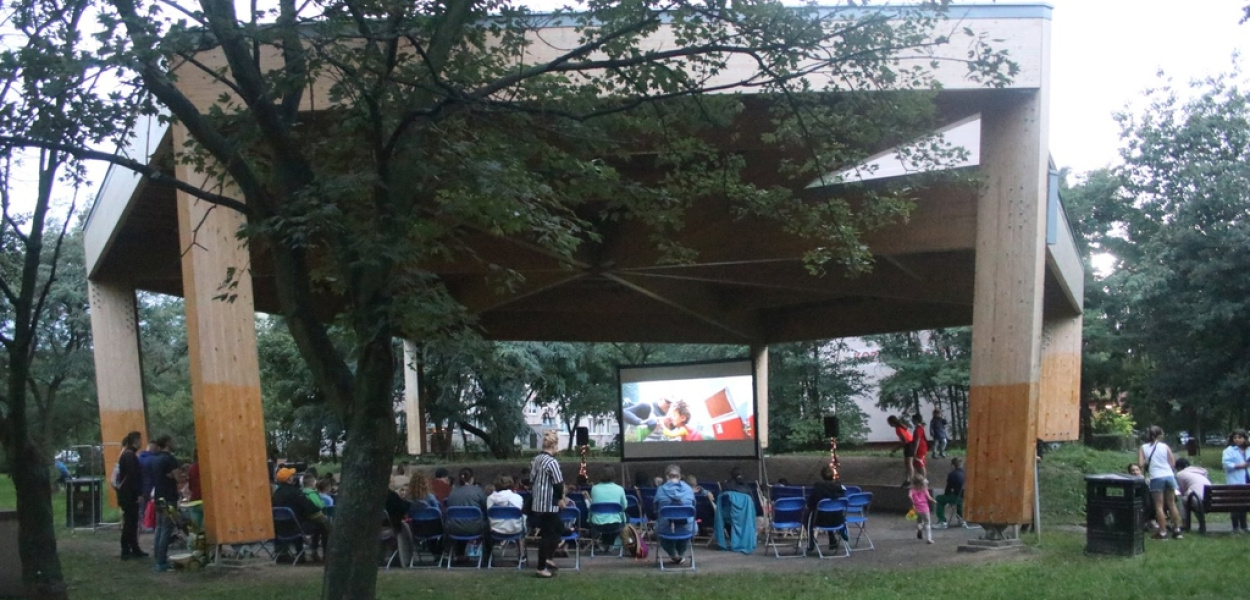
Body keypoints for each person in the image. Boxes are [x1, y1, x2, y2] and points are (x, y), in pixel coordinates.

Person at [273, 466, 331, 562]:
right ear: (289, 479)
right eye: (291, 475)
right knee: (322, 526)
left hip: (279, 529)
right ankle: (324, 555)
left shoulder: (276, 494)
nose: (293, 477)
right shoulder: (295, 492)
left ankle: (285, 554)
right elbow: (310, 507)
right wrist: (318, 508)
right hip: (296, 527)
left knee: (297, 521)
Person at [530, 430, 564, 578]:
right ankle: (541, 566)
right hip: (549, 503)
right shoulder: (552, 462)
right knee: (549, 534)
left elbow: (532, 479)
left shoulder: (535, 460)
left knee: (557, 528)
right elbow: (558, 483)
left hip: (538, 501)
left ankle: (548, 558)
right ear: (554, 445)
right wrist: (560, 498)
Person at [1138, 425, 1182, 540]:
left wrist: (1148, 462)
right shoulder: (1165, 446)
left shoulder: (1143, 448)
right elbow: (1172, 463)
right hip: (1169, 476)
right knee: (1172, 504)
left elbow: (1141, 464)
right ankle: (1177, 530)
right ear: (1160, 435)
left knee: (1159, 506)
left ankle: (1163, 532)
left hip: (1156, 478)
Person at [147, 436, 181, 572]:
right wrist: (176, 475)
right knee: (167, 528)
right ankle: (161, 561)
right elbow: (178, 477)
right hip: (169, 497)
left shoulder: (154, 459)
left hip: (158, 496)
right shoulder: (170, 459)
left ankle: (158, 558)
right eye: (173, 441)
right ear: (167, 443)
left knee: (159, 528)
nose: (174, 443)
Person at [653, 464, 695, 565]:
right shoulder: (689, 489)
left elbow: (654, 510)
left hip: (665, 528)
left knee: (660, 530)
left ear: (667, 476)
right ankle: (681, 554)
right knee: (686, 530)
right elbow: (694, 507)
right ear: (680, 476)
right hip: (687, 528)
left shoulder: (660, 490)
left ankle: (673, 555)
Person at [115, 431, 148, 560]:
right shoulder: (130, 456)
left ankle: (133, 547)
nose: (141, 443)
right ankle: (126, 549)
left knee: (132, 522)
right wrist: (137, 494)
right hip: (129, 496)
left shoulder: (127, 454)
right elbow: (132, 478)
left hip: (127, 495)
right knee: (130, 522)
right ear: (135, 441)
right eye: (140, 440)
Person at [446, 467, 489, 563]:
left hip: (454, 528)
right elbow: (486, 506)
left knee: (461, 521)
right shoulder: (478, 491)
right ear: (472, 478)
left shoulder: (452, 492)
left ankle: (460, 554)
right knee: (487, 525)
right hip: (475, 528)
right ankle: (488, 556)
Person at [806, 464, 845, 552]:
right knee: (831, 510)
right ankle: (833, 539)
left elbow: (810, 504)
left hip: (821, 520)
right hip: (838, 520)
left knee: (809, 515)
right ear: (833, 476)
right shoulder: (840, 489)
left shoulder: (818, 488)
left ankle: (811, 543)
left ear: (822, 476)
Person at [589, 467, 627, 551]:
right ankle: (612, 544)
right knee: (625, 516)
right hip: (615, 524)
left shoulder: (594, 488)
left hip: (597, 524)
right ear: (614, 475)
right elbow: (624, 506)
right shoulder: (619, 489)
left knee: (604, 517)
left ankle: (606, 544)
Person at [1221, 429, 1249, 533]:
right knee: (1235, 505)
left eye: (1240, 437)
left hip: (1247, 480)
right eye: (1235, 438)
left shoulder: (1248, 450)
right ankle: (1235, 527)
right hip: (1235, 481)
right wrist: (1240, 466)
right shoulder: (1229, 450)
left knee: (1244, 504)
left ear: (1245, 438)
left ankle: (1244, 526)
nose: (1237, 440)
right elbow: (1226, 465)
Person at [1174, 458, 1210, 534]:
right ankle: (1201, 525)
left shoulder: (1180, 474)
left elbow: (1182, 491)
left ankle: (1185, 524)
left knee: (1182, 499)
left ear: (1179, 467)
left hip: (1198, 499)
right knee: (1192, 500)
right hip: (1210, 500)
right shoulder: (1201, 472)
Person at [935, 457, 966, 528]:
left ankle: (942, 521)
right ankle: (961, 519)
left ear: (953, 465)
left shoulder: (952, 474)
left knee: (939, 498)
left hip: (957, 498)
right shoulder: (965, 473)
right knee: (959, 500)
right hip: (966, 497)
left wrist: (946, 495)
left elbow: (948, 488)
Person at [887, 415, 915, 486]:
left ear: (892, 422)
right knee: (907, 464)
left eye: (889, 422)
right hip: (909, 445)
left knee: (909, 465)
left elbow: (905, 441)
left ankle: (911, 481)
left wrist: (895, 449)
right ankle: (908, 480)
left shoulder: (899, 429)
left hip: (909, 445)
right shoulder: (900, 427)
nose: (888, 424)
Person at [908, 474, 935, 544]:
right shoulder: (924, 489)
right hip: (925, 509)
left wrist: (912, 502)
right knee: (927, 523)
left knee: (919, 521)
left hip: (916, 509)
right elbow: (929, 498)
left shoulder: (912, 490)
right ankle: (929, 538)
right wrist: (934, 501)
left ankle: (919, 528)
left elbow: (909, 496)